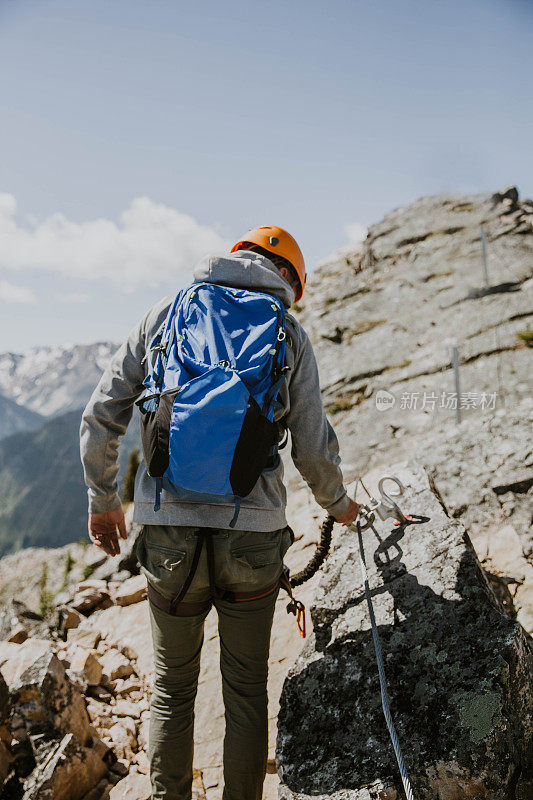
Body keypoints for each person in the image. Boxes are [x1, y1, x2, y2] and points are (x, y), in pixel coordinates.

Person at [80, 225, 359, 800]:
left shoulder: (169, 311)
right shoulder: (287, 332)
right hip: (253, 538)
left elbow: (101, 411)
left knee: (171, 690)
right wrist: (342, 506)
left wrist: (104, 500)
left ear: (236, 257)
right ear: (290, 280)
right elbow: (310, 447)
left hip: (169, 533)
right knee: (245, 690)